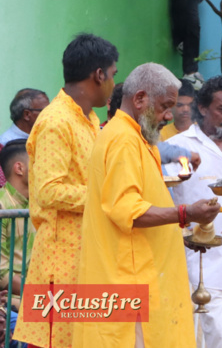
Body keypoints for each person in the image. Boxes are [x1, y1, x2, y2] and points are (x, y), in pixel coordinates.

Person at [72, 63, 221, 346]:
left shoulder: (137, 137)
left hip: (143, 279)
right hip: (131, 284)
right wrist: (187, 213)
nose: (169, 116)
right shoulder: (124, 140)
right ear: (139, 99)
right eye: (165, 107)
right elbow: (128, 210)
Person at [14, 33, 118, 348]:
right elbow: (48, 191)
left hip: (89, 255)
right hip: (60, 263)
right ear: (98, 76)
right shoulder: (56, 121)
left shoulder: (89, 120)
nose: (114, 83)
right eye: (113, 75)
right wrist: (108, 198)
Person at [166, 76, 222, 348]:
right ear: (202, 108)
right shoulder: (179, 148)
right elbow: (165, 196)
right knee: (216, 339)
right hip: (204, 264)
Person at [0, 140, 35, 310]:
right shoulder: (2, 206)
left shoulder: (44, 203)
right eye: (37, 162)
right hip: (16, 301)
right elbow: (2, 273)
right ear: (19, 169)